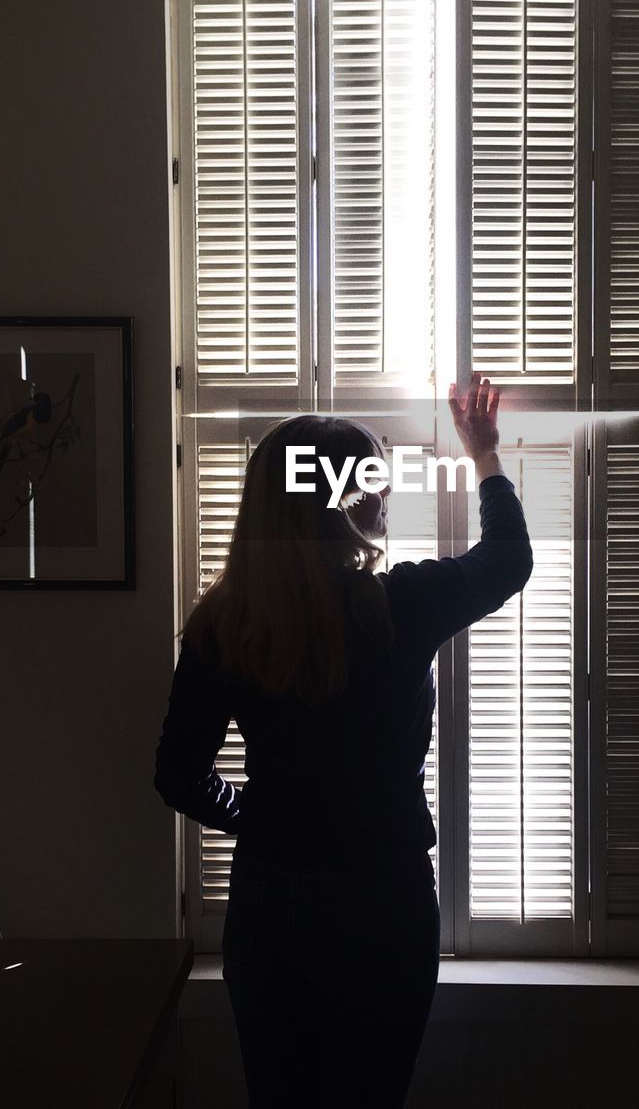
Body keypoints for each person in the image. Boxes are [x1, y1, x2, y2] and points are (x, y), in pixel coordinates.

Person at [154, 374, 533, 1108]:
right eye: (374, 480)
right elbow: (509, 559)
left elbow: (178, 776)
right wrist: (483, 456)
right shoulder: (397, 606)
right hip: (380, 904)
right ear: (344, 499)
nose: (385, 495)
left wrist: (261, 817)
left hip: (271, 905)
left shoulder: (224, 627)